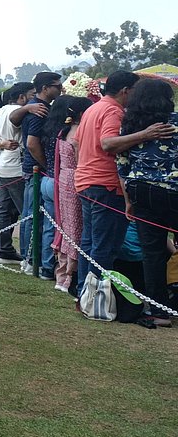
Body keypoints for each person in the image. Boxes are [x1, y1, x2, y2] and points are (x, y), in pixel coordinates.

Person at [74, 70, 175, 297]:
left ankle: (84, 290)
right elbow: (108, 143)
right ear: (125, 91)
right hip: (106, 184)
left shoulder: (93, 108)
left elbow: (76, 142)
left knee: (90, 242)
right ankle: (95, 296)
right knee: (105, 246)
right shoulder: (113, 110)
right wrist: (145, 135)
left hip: (86, 180)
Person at [117, 78, 178, 318]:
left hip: (141, 189)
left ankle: (158, 310)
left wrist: (128, 200)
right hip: (174, 189)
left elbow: (121, 163)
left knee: (151, 253)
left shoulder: (130, 125)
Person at [0, 82, 41, 266]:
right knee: (25, 212)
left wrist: (1, 145)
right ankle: (30, 255)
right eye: (32, 94)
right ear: (21, 97)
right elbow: (14, 119)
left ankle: (3, 249)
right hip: (15, 169)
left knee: (4, 210)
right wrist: (28, 108)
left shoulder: (0, 112)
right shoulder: (18, 111)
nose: (35, 98)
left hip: (2, 167)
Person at [47, 95, 93, 296]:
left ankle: (62, 271)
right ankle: (68, 276)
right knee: (75, 227)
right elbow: (81, 161)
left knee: (66, 226)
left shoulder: (63, 132)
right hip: (75, 180)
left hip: (63, 178)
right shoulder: (78, 135)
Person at [21, 71, 63, 278]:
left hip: (34, 168)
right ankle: (30, 260)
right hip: (36, 170)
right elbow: (31, 142)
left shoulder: (36, 106)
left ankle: (29, 258)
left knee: (32, 215)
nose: (60, 88)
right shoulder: (39, 109)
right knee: (33, 216)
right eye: (57, 85)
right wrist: (46, 165)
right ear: (45, 88)